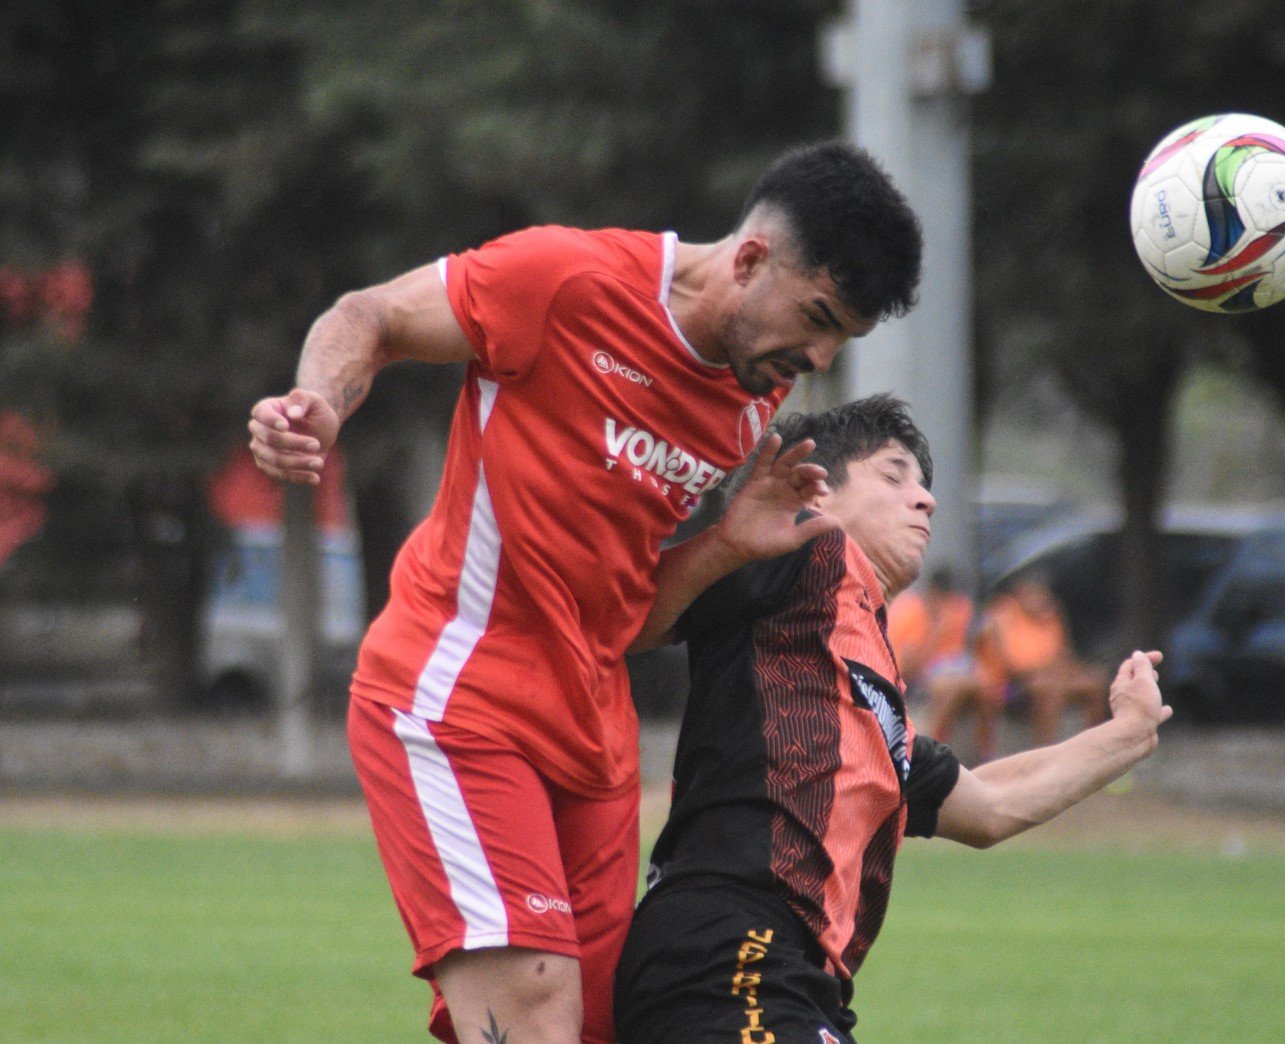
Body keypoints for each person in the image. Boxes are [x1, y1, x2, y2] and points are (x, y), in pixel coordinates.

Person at [246, 142, 922, 1044]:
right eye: (817, 316)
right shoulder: (565, 280)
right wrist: (318, 401)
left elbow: (625, 619)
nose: (819, 355)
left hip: (590, 731)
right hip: (459, 692)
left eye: (843, 338)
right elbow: (367, 316)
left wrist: (723, 547)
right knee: (536, 1016)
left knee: (606, 1025)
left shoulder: (747, 398)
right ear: (752, 259)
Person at [614, 396, 1170, 1043]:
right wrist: (726, 544)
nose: (924, 499)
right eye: (893, 475)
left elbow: (990, 806)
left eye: (924, 484)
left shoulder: (869, 687)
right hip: (728, 944)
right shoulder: (801, 550)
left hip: (794, 977)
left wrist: (1127, 734)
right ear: (817, 492)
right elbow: (625, 617)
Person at [927, 574, 1111, 759]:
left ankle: (1095, 754)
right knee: (1048, 688)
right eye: (1032, 594)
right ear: (1020, 595)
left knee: (1095, 683)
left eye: (1041, 594)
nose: (1039, 600)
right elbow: (1014, 666)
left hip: (1047, 677)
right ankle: (1046, 757)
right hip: (1010, 686)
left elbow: (1064, 656)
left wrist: (1065, 670)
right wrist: (1050, 670)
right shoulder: (1004, 615)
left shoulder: (1050, 615)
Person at [885, 565, 975, 704]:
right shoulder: (913, 612)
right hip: (907, 679)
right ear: (933, 593)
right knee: (951, 688)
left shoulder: (956, 610)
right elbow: (910, 669)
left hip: (945, 669)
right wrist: (936, 632)